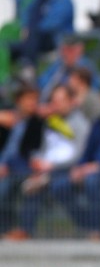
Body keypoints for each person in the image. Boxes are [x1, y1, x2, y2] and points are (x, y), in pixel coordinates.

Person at [7, 84, 91, 240]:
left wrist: (52, 166)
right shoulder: (50, 121)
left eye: (61, 100)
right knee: (33, 186)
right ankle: (24, 230)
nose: (56, 104)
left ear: (71, 101)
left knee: (46, 186)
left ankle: (89, 228)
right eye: (54, 100)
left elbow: (80, 154)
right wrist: (38, 160)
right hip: (46, 169)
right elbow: (43, 147)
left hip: (68, 170)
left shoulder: (80, 123)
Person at [46, 80, 100, 240]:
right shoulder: (98, 124)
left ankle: (97, 229)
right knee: (59, 187)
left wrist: (99, 166)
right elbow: (87, 151)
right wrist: (79, 167)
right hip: (92, 170)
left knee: (90, 182)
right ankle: (87, 224)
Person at [9, 0, 74, 76]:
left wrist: (30, 30)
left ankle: (29, 69)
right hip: (33, 40)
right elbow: (28, 14)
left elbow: (51, 25)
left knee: (35, 33)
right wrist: (26, 27)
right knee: (8, 47)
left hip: (55, 40)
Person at [0, 86, 43, 237]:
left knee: (30, 189)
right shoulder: (7, 117)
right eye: (28, 99)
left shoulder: (37, 122)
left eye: (34, 100)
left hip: (24, 167)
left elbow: (34, 151)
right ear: (18, 101)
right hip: (6, 165)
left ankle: (23, 231)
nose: (32, 103)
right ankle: (5, 230)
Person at [38, 34, 98, 103]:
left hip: (78, 105)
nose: (68, 54)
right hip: (53, 103)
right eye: (66, 50)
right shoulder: (57, 65)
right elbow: (43, 83)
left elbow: (94, 89)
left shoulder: (87, 67)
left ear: (80, 50)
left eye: (72, 50)